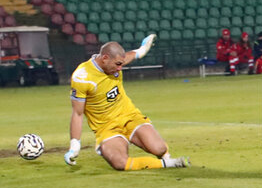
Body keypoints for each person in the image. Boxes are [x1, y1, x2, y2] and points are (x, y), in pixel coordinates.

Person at [65, 36, 188, 171]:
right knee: (119, 163)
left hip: (130, 117)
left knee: (159, 148)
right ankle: (170, 163)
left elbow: (132, 55)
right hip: (106, 128)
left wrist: (142, 49)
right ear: (105, 58)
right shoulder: (82, 77)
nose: (120, 68)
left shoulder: (115, 62)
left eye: (121, 64)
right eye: (118, 64)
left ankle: (164, 156)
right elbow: (77, 113)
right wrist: (74, 144)